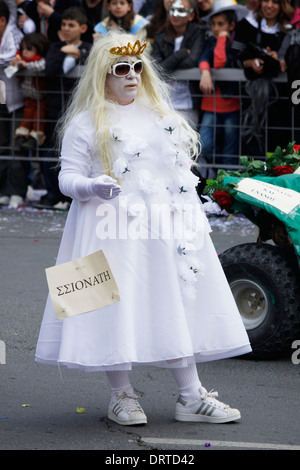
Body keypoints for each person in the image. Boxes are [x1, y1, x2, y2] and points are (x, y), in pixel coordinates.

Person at [35, 30, 251, 426]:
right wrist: (91, 186)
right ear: (103, 74)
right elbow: (67, 177)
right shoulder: (85, 123)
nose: (132, 75)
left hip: (164, 229)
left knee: (171, 301)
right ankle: (121, 395)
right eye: (121, 69)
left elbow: (177, 170)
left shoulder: (162, 116)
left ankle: (190, 396)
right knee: (106, 306)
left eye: (137, 67)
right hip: (105, 229)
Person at [35, 6, 91, 210]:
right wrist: (62, 52)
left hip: (79, 109)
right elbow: (50, 71)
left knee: (76, 152)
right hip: (54, 109)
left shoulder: (89, 47)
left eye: (71, 25)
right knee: (51, 151)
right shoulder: (55, 47)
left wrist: (79, 54)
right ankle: (53, 194)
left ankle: (71, 197)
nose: (66, 28)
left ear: (82, 28)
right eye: (64, 25)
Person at [233, 0, 294, 154]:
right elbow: (234, 55)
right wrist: (250, 62)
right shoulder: (245, 25)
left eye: (275, 2)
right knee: (251, 146)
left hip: (281, 101)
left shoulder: (290, 30)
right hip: (250, 99)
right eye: (266, 0)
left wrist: (280, 58)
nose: (269, 5)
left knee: (279, 146)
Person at [197, 0, 247, 172]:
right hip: (210, 104)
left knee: (230, 151)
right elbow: (203, 58)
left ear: (231, 25)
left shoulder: (238, 44)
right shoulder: (210, 41)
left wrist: (222, 39)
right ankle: (213, 174)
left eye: (221, 24)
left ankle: (227, 183)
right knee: (206, 143)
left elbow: (220, 62)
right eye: (213, 24)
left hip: (230, 105)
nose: (216, 28)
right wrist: (204, 71)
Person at [152, 0, 205, 128]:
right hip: (164, 101)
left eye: (181, 10)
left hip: (189, 102)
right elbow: (157, 68)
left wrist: (168, 63)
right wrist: (180, 54)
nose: (175, 15)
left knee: (187, 142)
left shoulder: (199, 33)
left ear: (191, 15)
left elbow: (192, 61)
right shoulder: (160, 36)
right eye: (172, 10)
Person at [0, 0, 27, 209]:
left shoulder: (12, 33)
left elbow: (12, 55)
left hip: (16, 99)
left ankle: (17, 191)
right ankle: (3, 191)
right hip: (0, 99)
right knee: (1, 146)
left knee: (16, 146)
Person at [10, 32, 50, 152]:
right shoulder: (20, 59)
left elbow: (41, 66)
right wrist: (15, 64)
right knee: (27, 116)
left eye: (29, 49)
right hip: (29, 97)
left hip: (41, 98)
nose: (24, 52)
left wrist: (26, 64)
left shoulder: (41, 60)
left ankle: (35, 138)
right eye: (22, 49)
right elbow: (10, 70)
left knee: (39, 118)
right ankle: (22, 136)